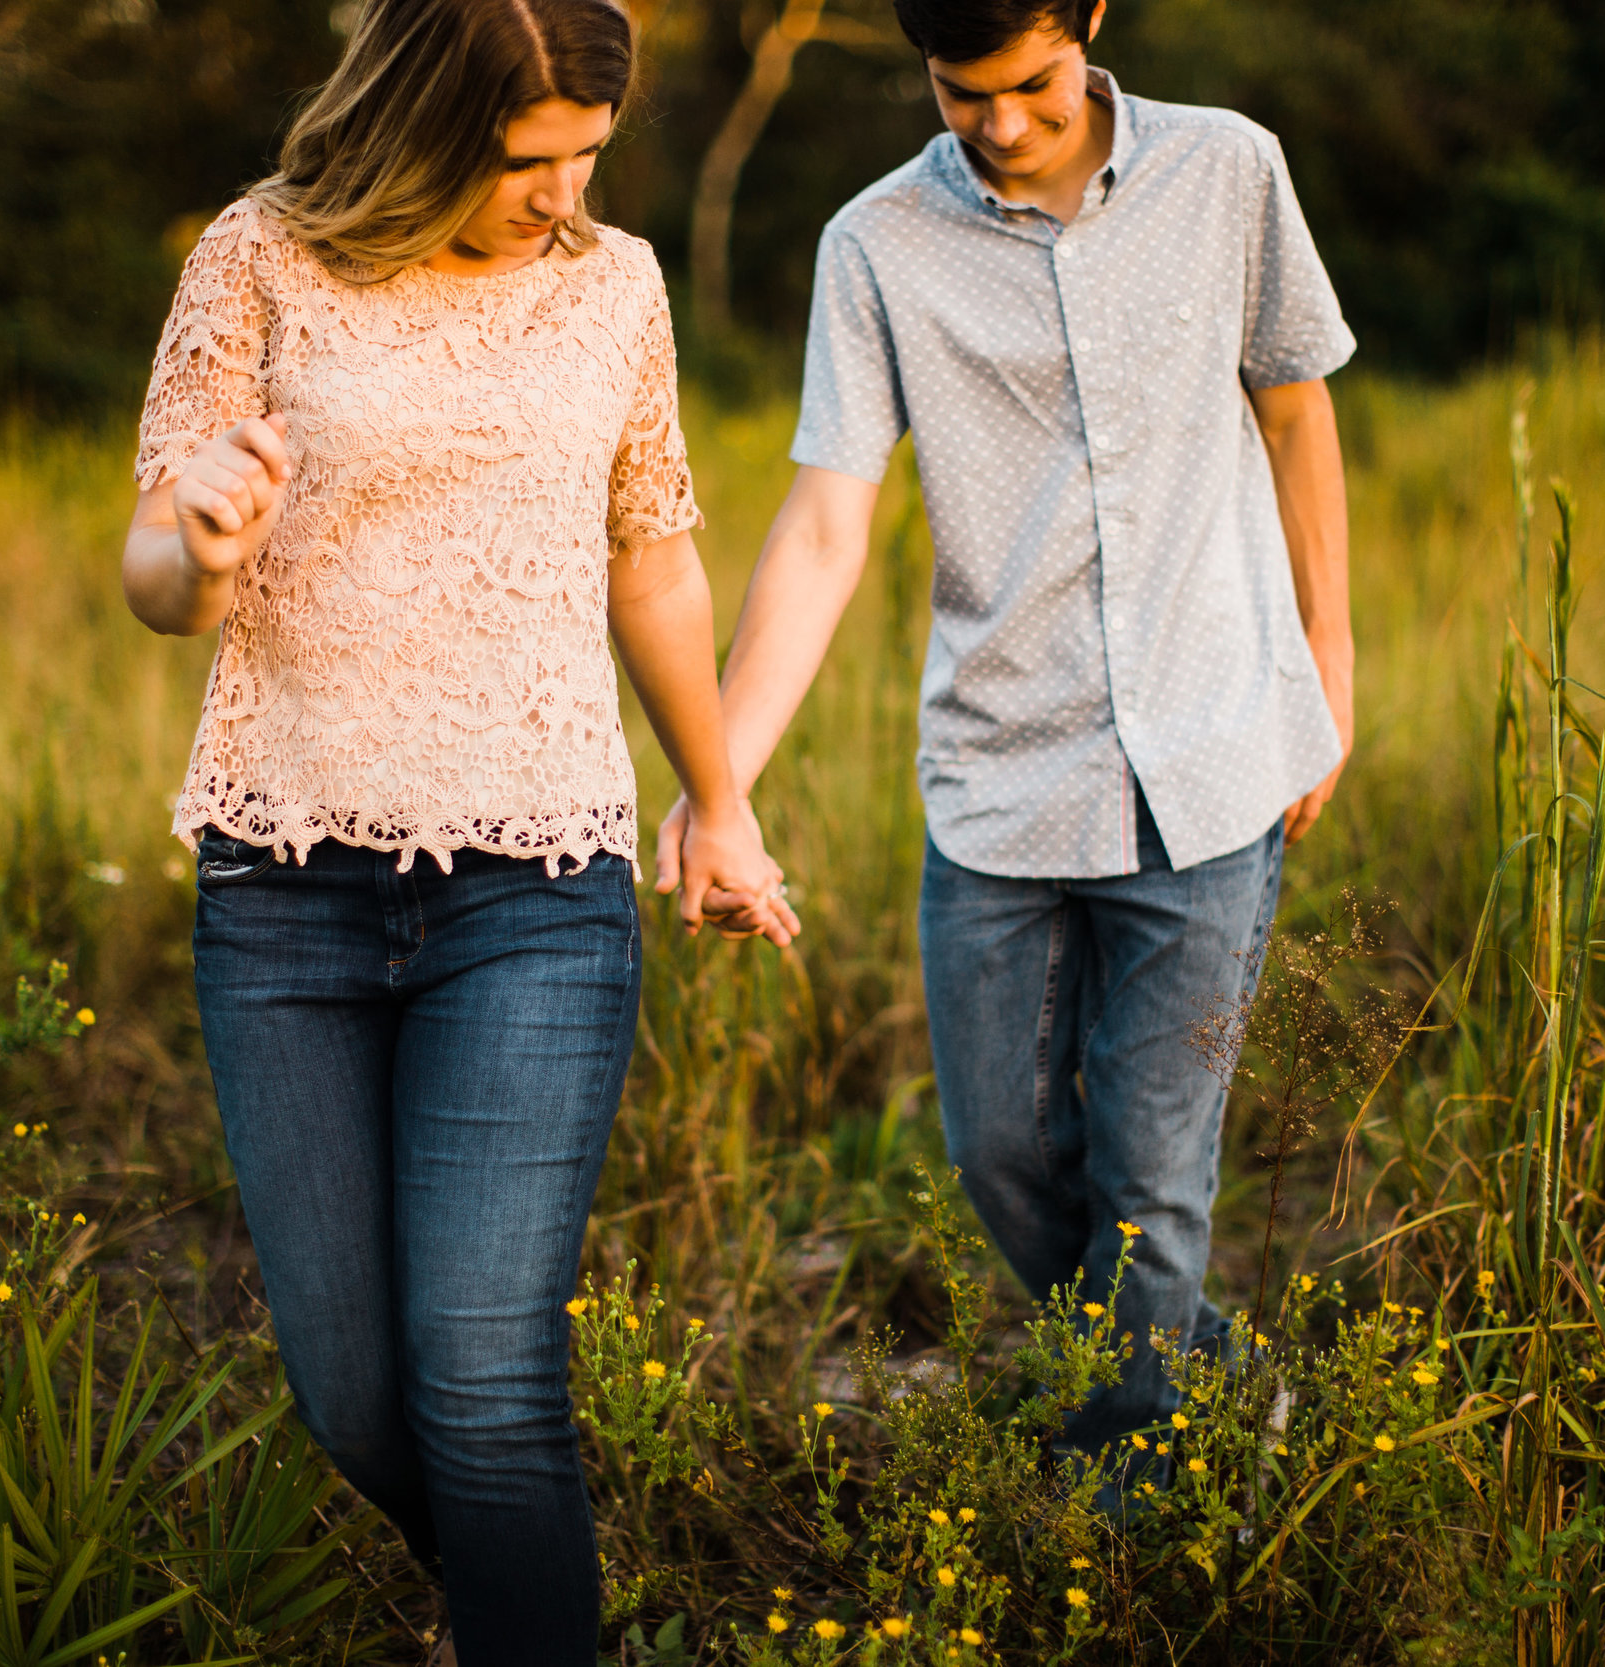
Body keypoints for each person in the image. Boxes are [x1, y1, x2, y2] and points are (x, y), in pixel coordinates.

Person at [120, 0, 797, 1656]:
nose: (559, 191)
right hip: (284, 892)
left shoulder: (612, 288)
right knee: (357, 1402)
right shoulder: (258, 257)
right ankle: (528, 1603)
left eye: (586, 156)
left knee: (485, 1389)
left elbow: (653, 551)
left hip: (536, 886)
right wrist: (204, 545)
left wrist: (723, 804)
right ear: (420, 119)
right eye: (521, 158)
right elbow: (154, 572)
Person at [659, 0, 1356, 1481]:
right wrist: (720, 779)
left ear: (1092, 23)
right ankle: (1217, 1379)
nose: (1004, 124)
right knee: (1002, 1159)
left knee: (1152, 1183)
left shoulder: (1228, 169)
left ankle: (1133, 1508)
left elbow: (1296, 412)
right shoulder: (876, 247)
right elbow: (827, 520)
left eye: (1034, 83)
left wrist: (1328, 661)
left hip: (1219, 749)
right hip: (1001, 779)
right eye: (963, 93)